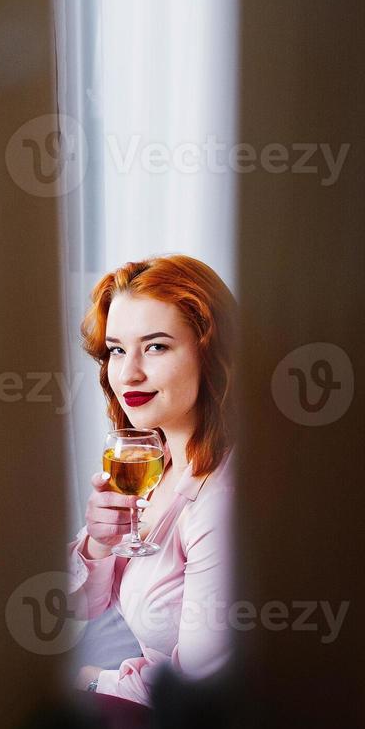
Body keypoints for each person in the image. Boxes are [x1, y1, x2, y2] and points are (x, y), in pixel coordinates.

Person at [68, 254, 237, 706]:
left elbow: (198, 690)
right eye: (118, 350)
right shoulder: (150, 458)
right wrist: (98, 545)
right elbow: (79, 607)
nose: (128, 373)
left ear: (210, 353)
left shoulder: (219, 502)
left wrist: (92, 680)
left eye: (157, 346)